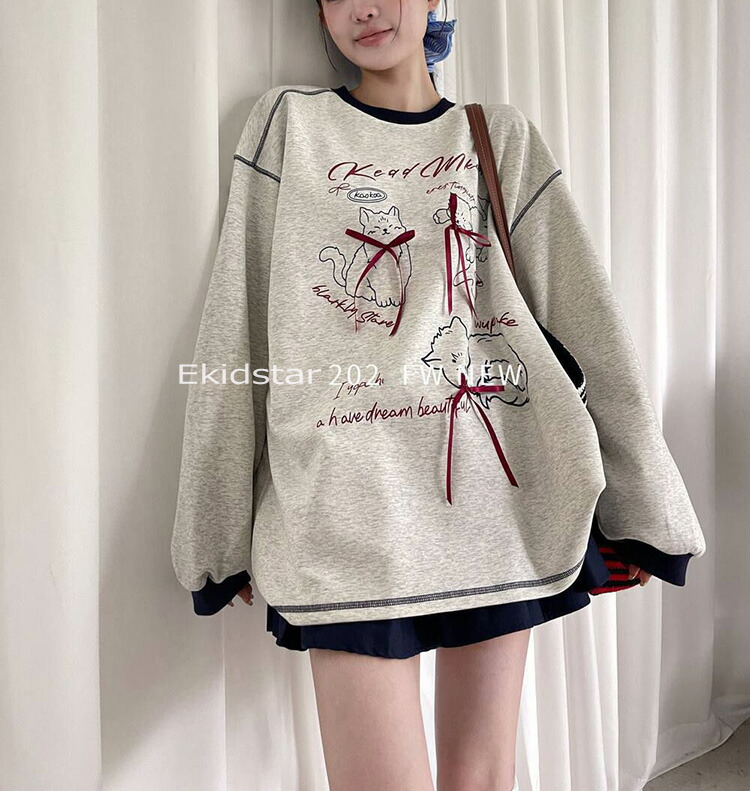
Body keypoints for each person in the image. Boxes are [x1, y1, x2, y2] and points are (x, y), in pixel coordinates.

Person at [170, 2, 707, 789]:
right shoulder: (290, 126)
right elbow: (237, 322)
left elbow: (588, 320)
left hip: (494, 506)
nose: (363, 6)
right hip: (345, 513)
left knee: (480, 777)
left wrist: (648, 507)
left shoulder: (499, 136)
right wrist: (214, 533)